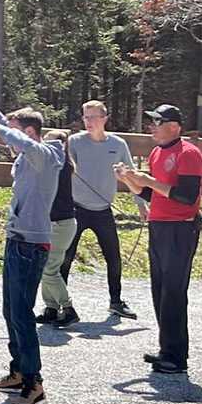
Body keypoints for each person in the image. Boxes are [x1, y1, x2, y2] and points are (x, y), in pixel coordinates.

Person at [0, 85, 63, 404]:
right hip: (17, 241)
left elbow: (24, 142)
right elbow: (13, 134)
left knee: (22, 313)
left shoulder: (48, 155)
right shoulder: (28, 154)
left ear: (30, 132)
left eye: (12, 133)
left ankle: (34, 383)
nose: (5, 142)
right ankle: (18, 370)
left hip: (31, 244)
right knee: (11, 309)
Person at [117, 104, 202, 375]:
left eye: (158, 121)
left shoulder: (188, 153)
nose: (152, 126)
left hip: (181, 228)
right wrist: (130, 180)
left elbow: (186, 196)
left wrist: (148, 181)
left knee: (174, 293)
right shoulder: (156, 152)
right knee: (160, 291)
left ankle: (177, 357)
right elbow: (151, 195)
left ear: (175, 127)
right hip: (159, 226)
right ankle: (167, 350)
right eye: (152, 121)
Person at [64, 100, 144, 319]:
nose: (89, 121)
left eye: (93, 117)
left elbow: (131, 175)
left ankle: (116, 301)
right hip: (76, 208)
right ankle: (58, 304)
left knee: (113, 257)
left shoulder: (118, 145)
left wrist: (141, 204)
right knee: (65, 257)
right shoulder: (74, 142)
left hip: (103, 210)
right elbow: (64, 171)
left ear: (104, 119)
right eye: (85, 117)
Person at [35, 130, 81, 327]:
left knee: (49, 269)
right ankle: (51, 308)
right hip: (55, 223)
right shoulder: (59, 164)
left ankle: (68, 308)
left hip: (60, 224)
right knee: (47, 267)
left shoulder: (59, 164)